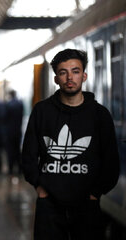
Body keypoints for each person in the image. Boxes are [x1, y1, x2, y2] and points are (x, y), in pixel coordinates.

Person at [22, 49, 120, 240]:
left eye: (75, 71)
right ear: (56, 79)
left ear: (84, 76)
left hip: (87, 206)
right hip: (49, 206)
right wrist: (40, 188)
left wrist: (95, 193)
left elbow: (111, 162)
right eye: (63, 72)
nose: (69, 77)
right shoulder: (42, 111)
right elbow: (28, 156)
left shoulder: (100, 115)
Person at [3, 90, 24, 176]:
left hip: (9, 131)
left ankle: (11, 169)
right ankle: (19, 168)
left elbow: (5, 118)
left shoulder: (8, 104)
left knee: (10, 151)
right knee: (17, 150)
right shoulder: (20, 104)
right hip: (18, 130)